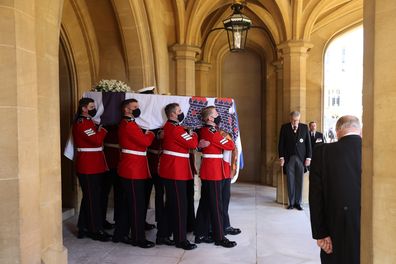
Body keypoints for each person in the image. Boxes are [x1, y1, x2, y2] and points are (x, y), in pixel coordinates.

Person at [309, 115, 362, 264]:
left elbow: (315, 197)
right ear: (360, 130)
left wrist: (320, 233)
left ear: (337, 131)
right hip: (367, 229)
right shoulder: (375, 152)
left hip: (334, 230)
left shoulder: (322, 152)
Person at [113, 98, 155, 248]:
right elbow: (145, 142)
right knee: (137, 205)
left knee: (126, 204)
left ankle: (120, 234)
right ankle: (138, 238)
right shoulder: (129, 125)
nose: (137, 109)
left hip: (133, 167)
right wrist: (150, 134)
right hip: (132, 169)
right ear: (126, 109)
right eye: (134, 107)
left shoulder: (130, 123)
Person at [195, 106, 237, 248]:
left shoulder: (206, 130)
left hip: (210, 170)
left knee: (205, 203)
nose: (219, 115)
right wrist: (224, 137)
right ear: (209, 118)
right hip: (213, 172)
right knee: (216, 205)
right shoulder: (212, 132)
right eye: (216, 114)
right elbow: (230, 145)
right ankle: (219, 237)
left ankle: (200, 233)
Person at [158, 103, 198, 250]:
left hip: (174, 169)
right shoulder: (175, 128)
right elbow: (193, 143)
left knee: (170, 205)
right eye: (179, 111)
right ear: (172, 114)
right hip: (175, 171)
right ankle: (180, 240)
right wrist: (192, 133)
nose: (181, 113)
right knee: (179, 206)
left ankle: (163, 235)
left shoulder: (170, 127)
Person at [72, 98, 110, 241]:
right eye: (91, 106)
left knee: (90, 197)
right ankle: (95, 230)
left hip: (95, 164)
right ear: (84, 108)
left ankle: (83, 226)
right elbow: (96, 140)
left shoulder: (89, 122)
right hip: (88, 166)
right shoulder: (82, 123)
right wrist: (103, 130)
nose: (94, 108)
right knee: (92, 198)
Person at [278, 111, 312, 210]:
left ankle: (298, 203)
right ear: (290, 119)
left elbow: (308, 144)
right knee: (290, 180)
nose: (295, 122)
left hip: (301, 159)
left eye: (296, 120)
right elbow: (281, 144)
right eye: (293, 120)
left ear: (299, 119)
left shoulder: (305, 127)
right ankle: (291, 203)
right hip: (289, 159)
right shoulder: (284, 127)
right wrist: (281, 157)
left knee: (299, 180)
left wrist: (308, 158)